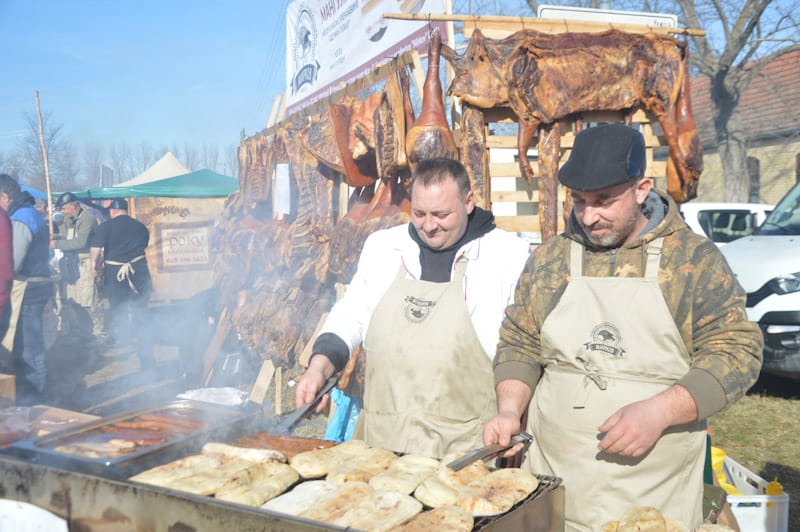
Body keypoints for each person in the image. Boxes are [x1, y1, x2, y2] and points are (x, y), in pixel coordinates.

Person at [483, 124, 763, 530]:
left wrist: (660, 411)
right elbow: (519, 342)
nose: (588, 215)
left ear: (642, 189)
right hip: (554, 483)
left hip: (652, 490)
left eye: (603, 201)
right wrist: (510, 409)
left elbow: (737, 352)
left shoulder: (692, 261)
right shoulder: (551, 259)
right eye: (579, 201)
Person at [295, 157, 530, 458]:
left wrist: (512, 411)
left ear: (469, 202)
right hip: (381, 446)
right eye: (419, 213)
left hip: (467, 454)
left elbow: (522, 346)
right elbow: (351, 313)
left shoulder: (507, 255)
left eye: (442, 214)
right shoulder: (383, 248)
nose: (429, 226)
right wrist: (319, 366)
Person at [0, 174, 54, 405]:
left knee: (29, 351)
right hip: (36, 287)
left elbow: (13, 260)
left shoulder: (21, 218)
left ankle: (34, 403)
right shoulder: (30, 213)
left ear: (4, 197)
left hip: (28, 290)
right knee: (27, 348)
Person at [89, 198, 154, 368]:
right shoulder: (140, 226)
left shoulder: (106, 226)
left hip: (116, 273)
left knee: (119, 308)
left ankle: (124, 340)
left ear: (112, 211)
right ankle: (145, 353)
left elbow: (95, 247)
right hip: (139, 271)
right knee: (141, 310)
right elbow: (144, 245)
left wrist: (93, 264)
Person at [51, 191, 103, 341]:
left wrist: (56, 244)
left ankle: (97, 333)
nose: (62, 212)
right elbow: (68, 237)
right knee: (74, 300)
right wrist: (55, 236)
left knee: (88, 301)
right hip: (71, 264)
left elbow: (81, 242)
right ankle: (83, 331)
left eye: (64, 209)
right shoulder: (69, 219)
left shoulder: (88, 219)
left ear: (73, 206)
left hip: (86, 264)